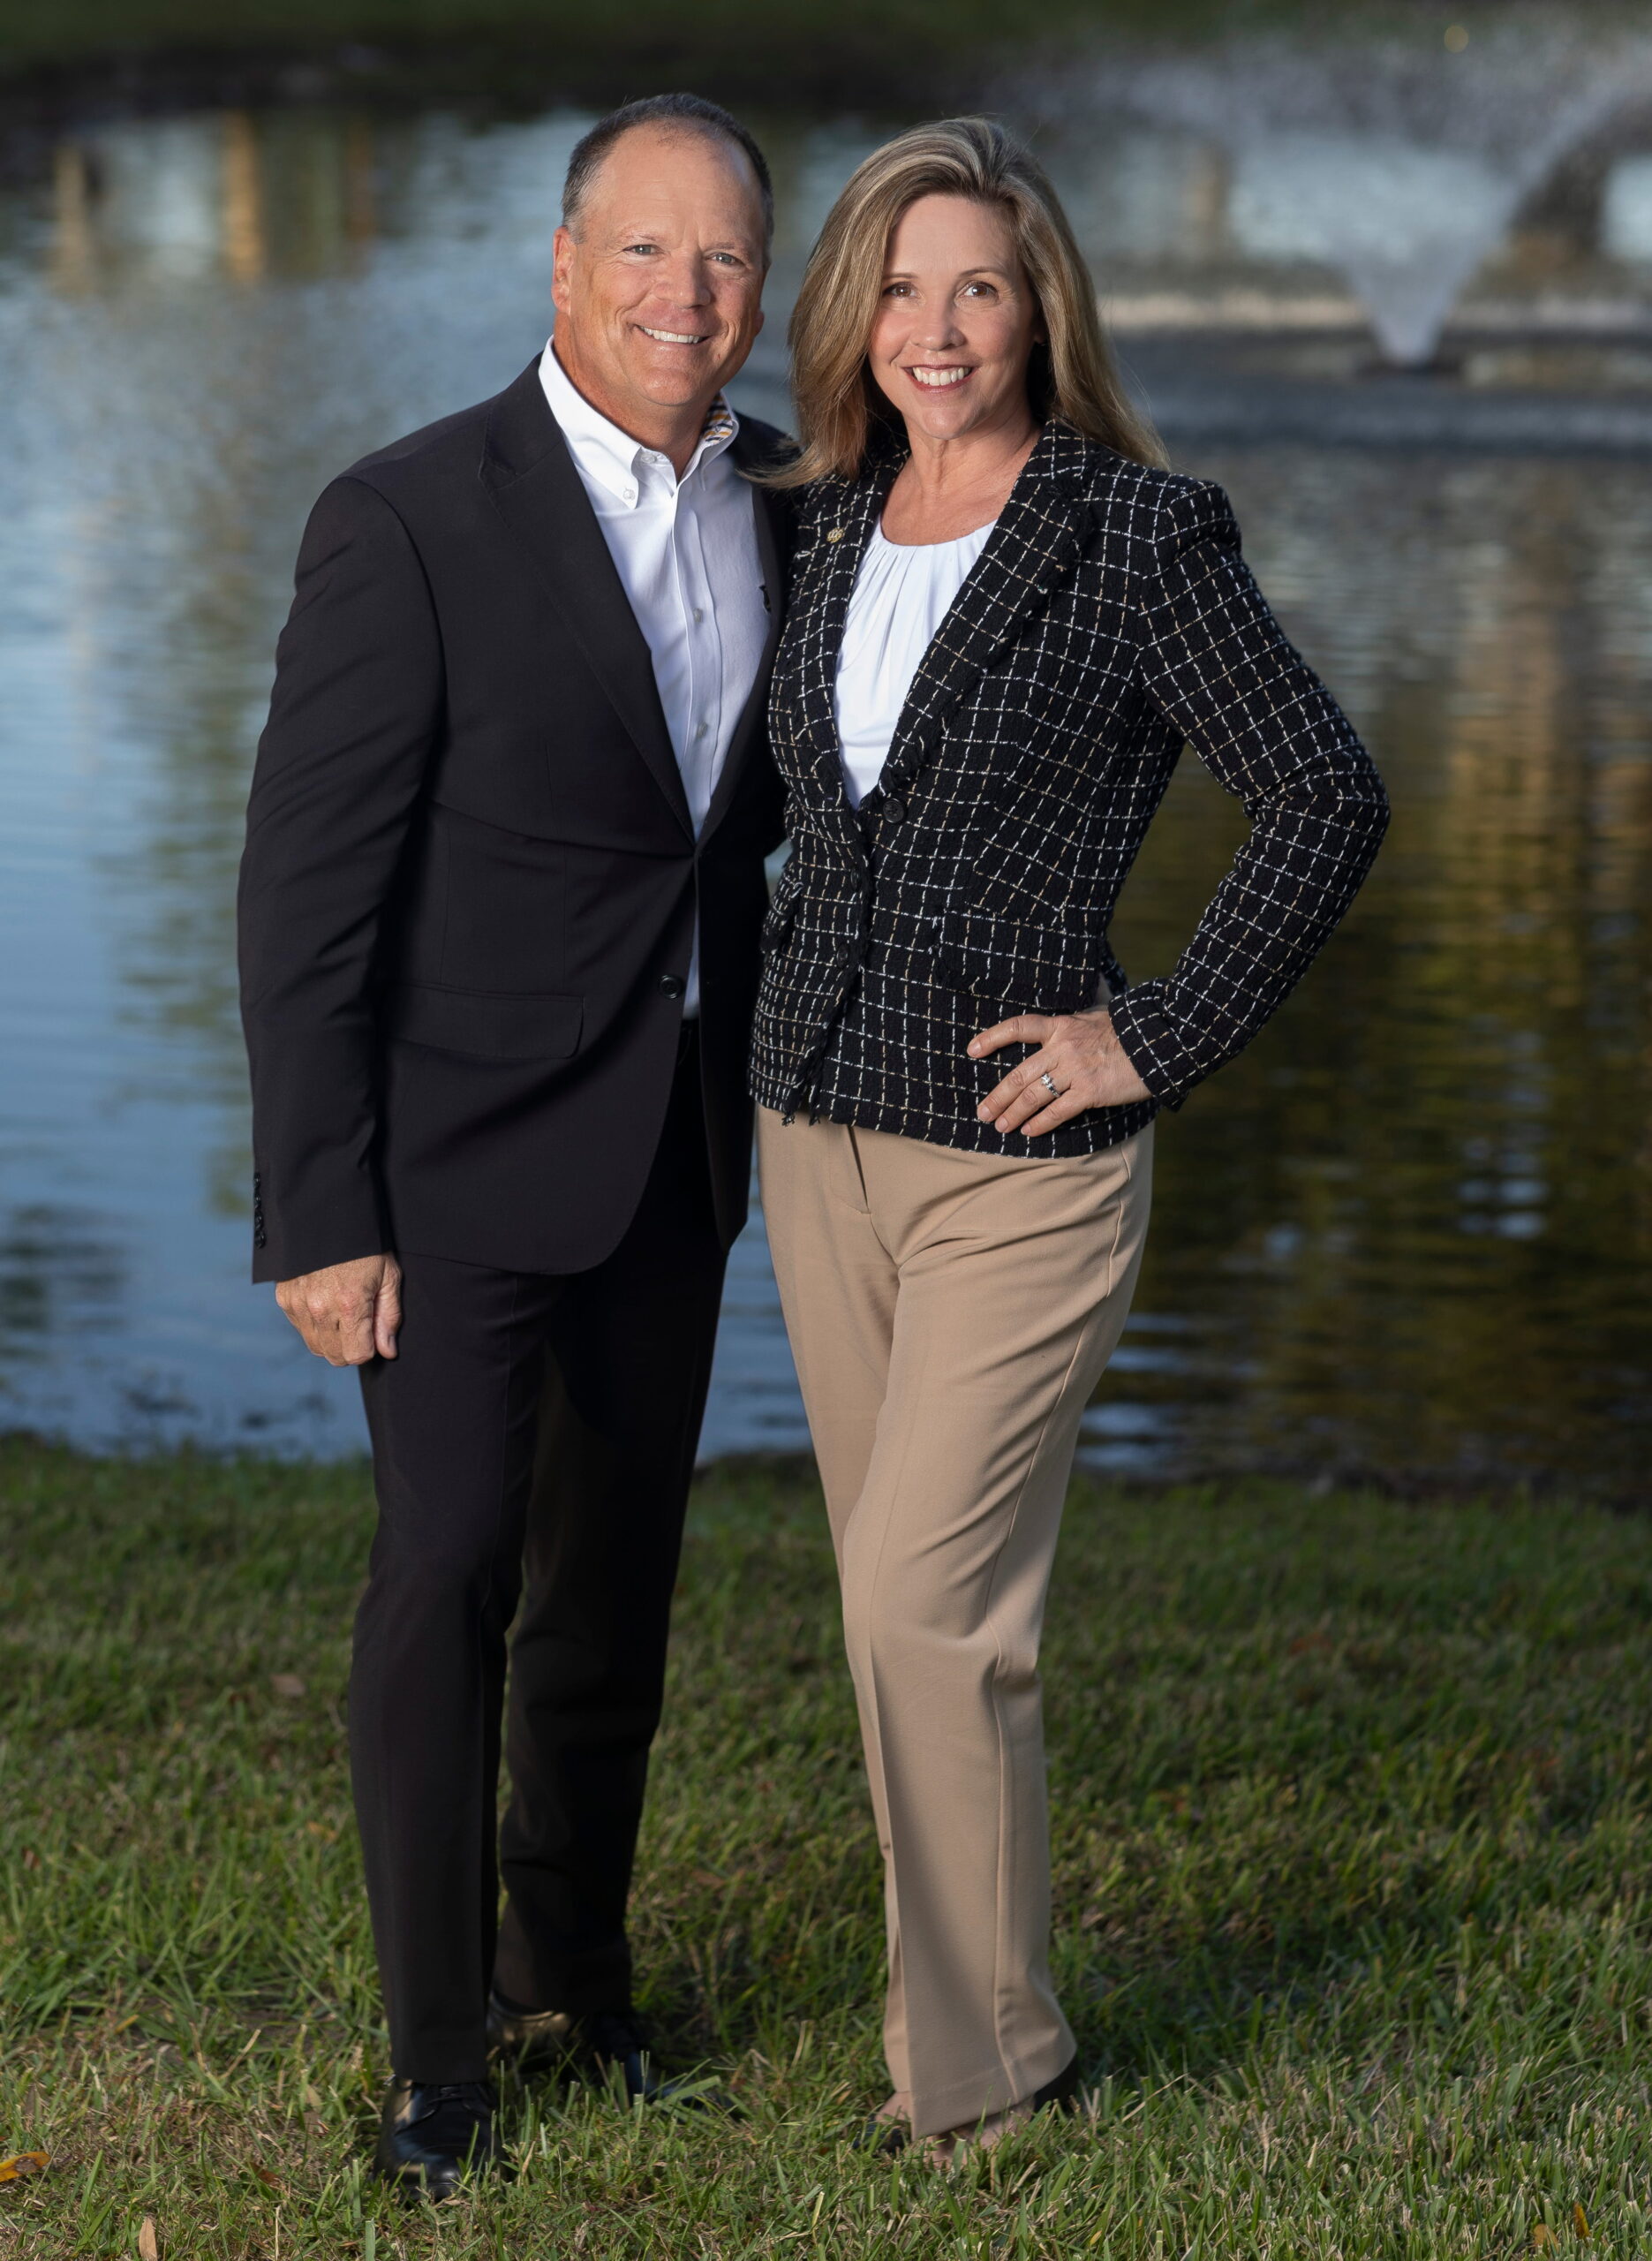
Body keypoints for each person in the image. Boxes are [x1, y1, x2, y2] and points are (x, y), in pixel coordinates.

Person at [751, 118, 1389, 2165]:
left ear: (1044, 313)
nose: (939, 329)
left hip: (1020, 1158)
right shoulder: (825, 515)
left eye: (984, 289)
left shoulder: (1135, 530)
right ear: (857, 305)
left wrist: (1159, 1032)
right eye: (906, 285)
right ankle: (959, 2019)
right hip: (815, 1134)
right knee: (898, 1607)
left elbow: (1325, 792)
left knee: (928, 1608)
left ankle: (990, 2076)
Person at [238, 93, 789, 2197]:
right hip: (449, 1169)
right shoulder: (408, 516)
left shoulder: (789, 512)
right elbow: (304, 893)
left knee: (613, 1590)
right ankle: (436, 2059)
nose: (687, 293)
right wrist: (321, 1202)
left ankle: (577, 1977)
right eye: (646, 252)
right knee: (448, 1571)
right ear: (563, 269)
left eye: (726, 256)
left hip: (668, 1155)